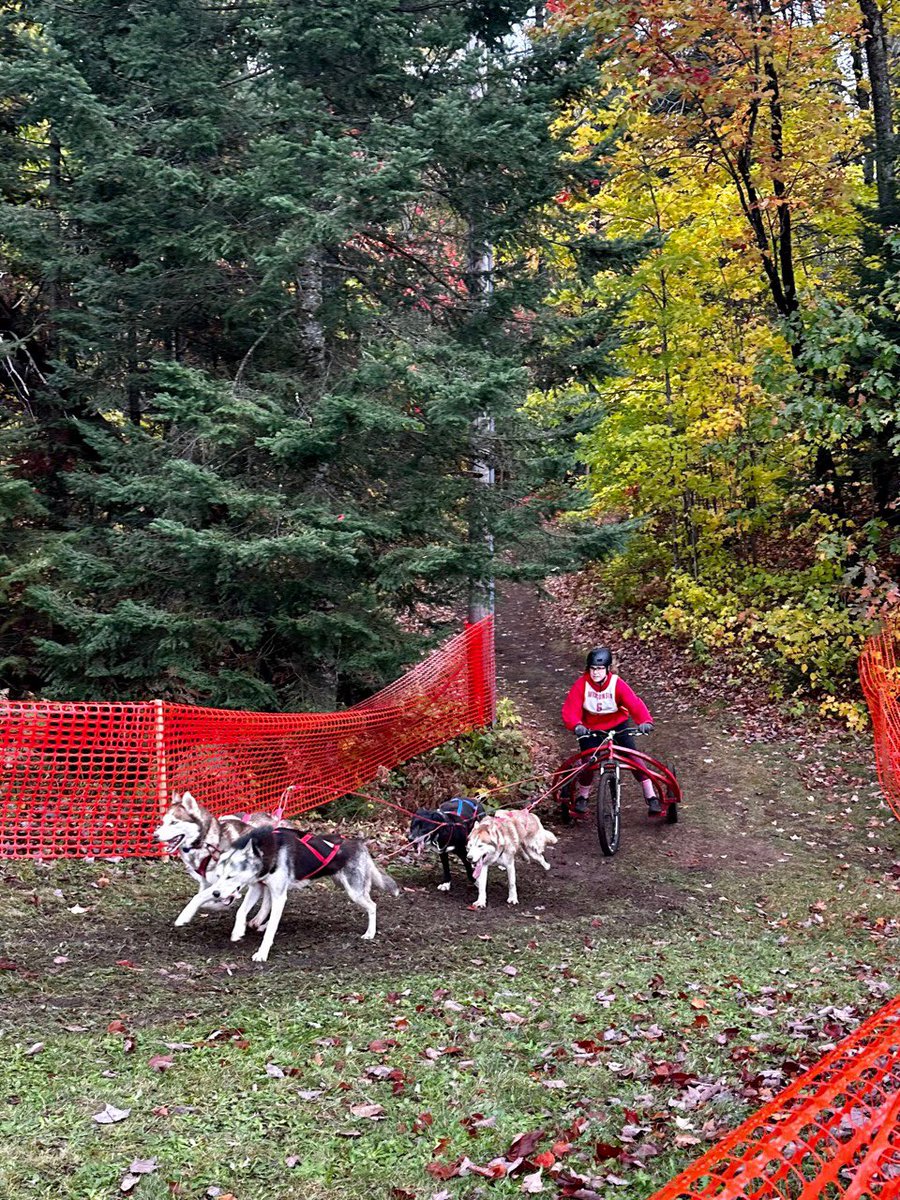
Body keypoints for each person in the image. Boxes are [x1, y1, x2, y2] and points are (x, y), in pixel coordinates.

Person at [561, 646, 661, 815]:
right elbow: (570, 709)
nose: (595, 673)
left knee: (633, 757)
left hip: (618, 724)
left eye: (600, 669)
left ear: (608, 669)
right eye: (592, 669)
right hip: (591, 728)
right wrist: (576, 725)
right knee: (588, 761)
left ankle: (651, 796)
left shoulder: (617, 684)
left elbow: (634, 704)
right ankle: (582, 796)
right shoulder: (582, 685)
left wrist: (645, 721)